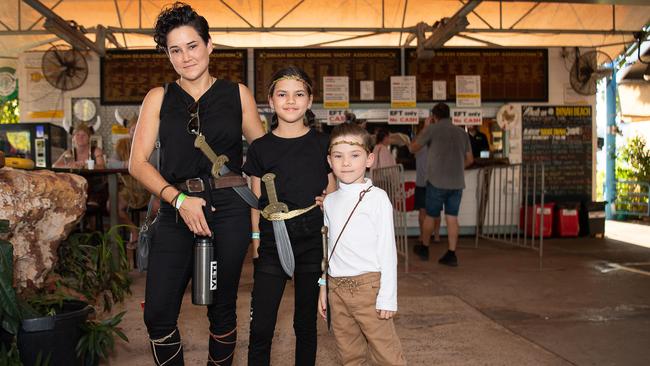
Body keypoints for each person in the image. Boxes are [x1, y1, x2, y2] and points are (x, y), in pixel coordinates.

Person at [128, 3, 265, 365]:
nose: (185, 56)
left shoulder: (238, 94)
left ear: (209, 45)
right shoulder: (158, 97)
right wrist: (177, 200)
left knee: (222, 311)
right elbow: (137, 163)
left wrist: (313, 179)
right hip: (176, 211)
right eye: (175, 49)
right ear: (168, 56)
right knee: (157, 313)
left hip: (230, 211)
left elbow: (265, 159)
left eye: (192, 45)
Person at [243, 66, 336, 366]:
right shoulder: (260, 148)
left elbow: (333, 192)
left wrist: (330, 202)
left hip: (312, 239)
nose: (291, 101)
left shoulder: (324, 145)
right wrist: (256, 241)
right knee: (261, 327)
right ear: (271, 101)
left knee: (305, 325)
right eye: (282, 94)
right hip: (272, 240)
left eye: (299, 94)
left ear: (310, 101)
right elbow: (256, 201)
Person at [319, 123, 406, 366]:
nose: (346, 163)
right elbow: (326, 251)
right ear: (329, 161)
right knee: (349, 355)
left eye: (354, 155)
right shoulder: (330, 202)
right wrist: (323, 287)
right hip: (337, 289)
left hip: (369, 288)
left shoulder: (377, 198)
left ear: (369, 159)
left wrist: (388, 297)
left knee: (386, 354)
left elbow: (387, 251)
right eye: (338, 156)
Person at [409, 103, 473, 266]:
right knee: (452, 217)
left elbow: (413, 148)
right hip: (457, 183)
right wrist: (458, 168)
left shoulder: (432, 130)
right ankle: (451, 254)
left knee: (431, 215)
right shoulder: (461, 132)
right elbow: (470, 159)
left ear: (434, 116)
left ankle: (424, 247)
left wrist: (425, 127)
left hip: (436, 182)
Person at [414, 117, 440, 244]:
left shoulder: (422, 144)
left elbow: (413, 145)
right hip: (429, 182)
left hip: (430, 182)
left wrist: (425, 127)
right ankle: (432, 235)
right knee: (431, 211)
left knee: (427, 211)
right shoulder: (423, 144)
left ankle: (429, 235)